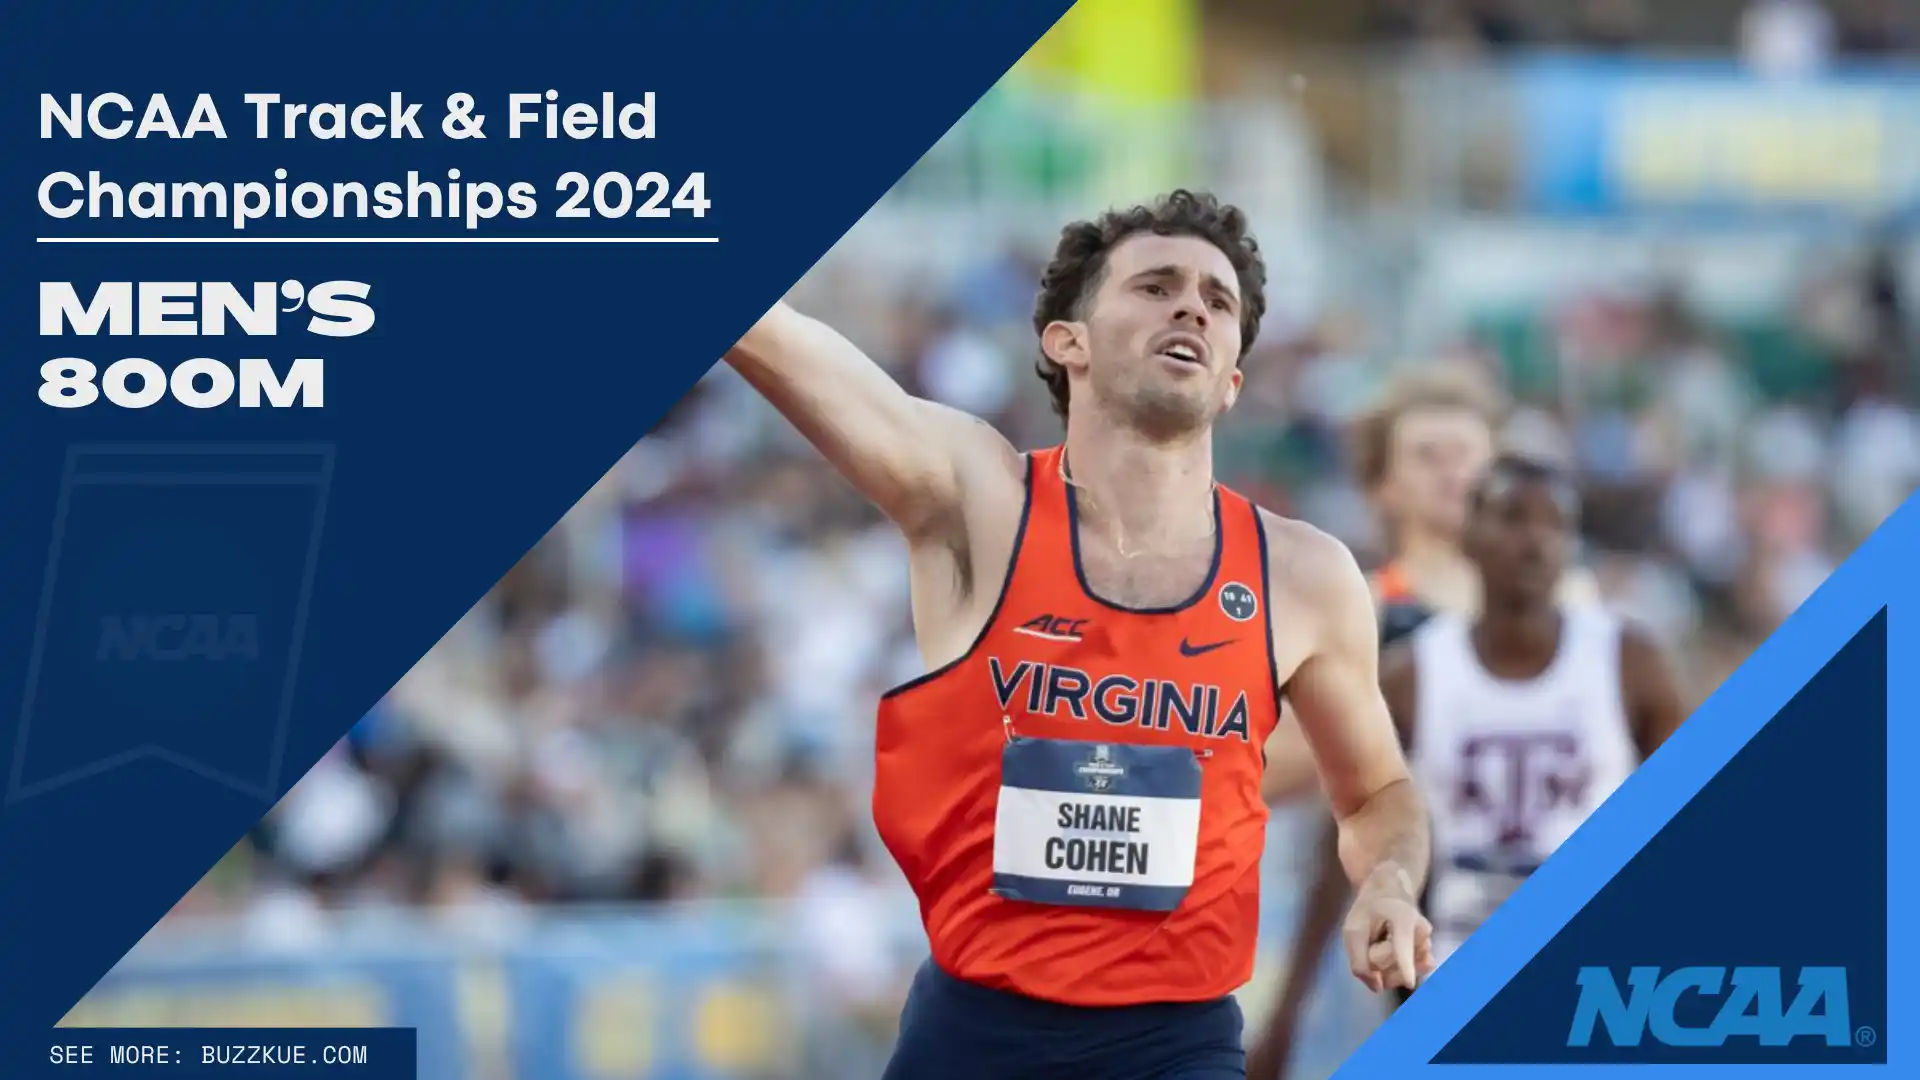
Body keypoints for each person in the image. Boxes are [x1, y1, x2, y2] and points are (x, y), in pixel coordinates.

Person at [724, 190, 1435, 1080]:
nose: (1192, 308)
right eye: (1157, 286)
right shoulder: (977, 500)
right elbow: (776, 340)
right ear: (1069, 341)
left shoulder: (1304, 576)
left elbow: (1376, 796)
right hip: (976, 1031)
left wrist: (1390, 881)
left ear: (1233, 379)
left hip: (1175, 1043)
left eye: (1219, 302)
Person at [1248, 453, 1687, 1079]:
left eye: (1554, 524)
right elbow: (1342, 850)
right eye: (1514, 518)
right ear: (1471, 535)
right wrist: (1287, 1015)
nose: (1534, 540)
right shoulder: (1414, 674)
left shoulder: (1627, 660)